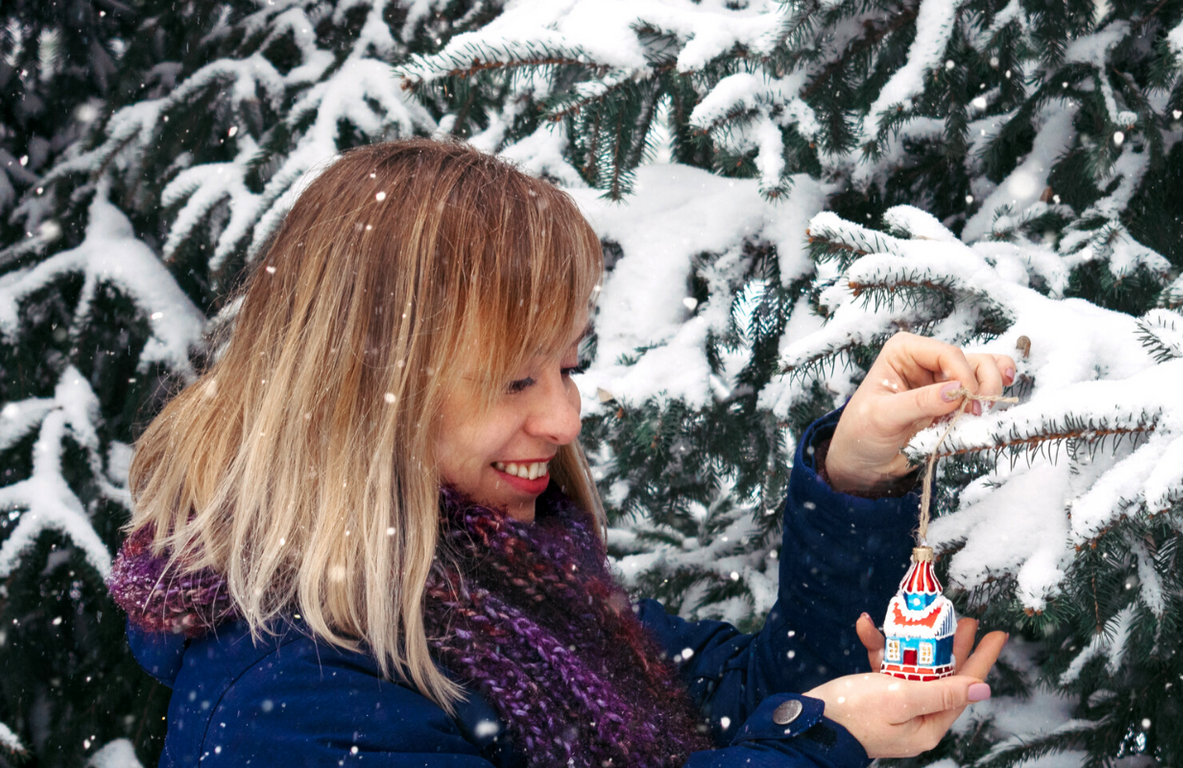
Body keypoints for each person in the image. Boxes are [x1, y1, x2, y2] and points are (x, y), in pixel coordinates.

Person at [110, 138, 1015, 768]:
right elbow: (784, 729)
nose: (564, 419)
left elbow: (745, 702)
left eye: (569, 365)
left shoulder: (502, 600)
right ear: (361, 391)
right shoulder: (297, 695)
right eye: (513, 381)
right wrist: (821, 738)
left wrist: (854, 477)